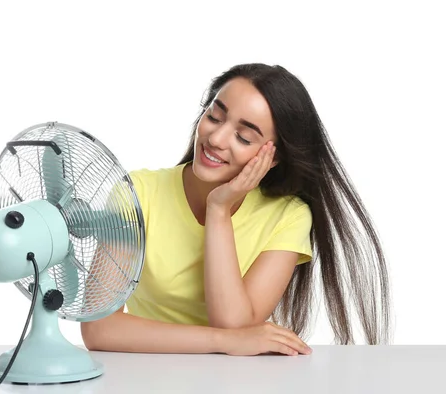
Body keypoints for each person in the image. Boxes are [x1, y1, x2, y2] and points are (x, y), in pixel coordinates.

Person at [81, 63, 392, 356]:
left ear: (274, 158)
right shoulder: (137, 193)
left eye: (244, 137)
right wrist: (224, 341)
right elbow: (98, 329)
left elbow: (233, 322)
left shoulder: (289, 215)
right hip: (144, 374)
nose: (215, 139)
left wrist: (219, 210)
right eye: (215, 117)